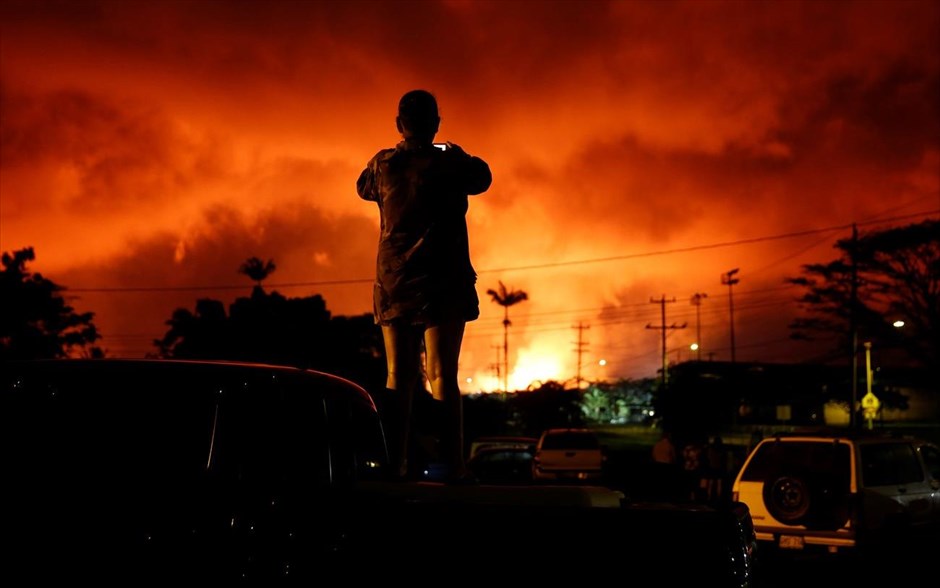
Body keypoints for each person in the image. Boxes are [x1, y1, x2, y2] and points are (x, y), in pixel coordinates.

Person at [357, 89, 492, 483]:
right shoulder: (451, 163)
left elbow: (363, 188)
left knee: (397, 376)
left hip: (395, 279)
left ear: (399, 125)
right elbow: (483, 177)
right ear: (436, 124)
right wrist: (453, 150)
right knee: (443, 374)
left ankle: (393, 465)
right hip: (443, 279)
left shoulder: (383, 164)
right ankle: (454, 466)